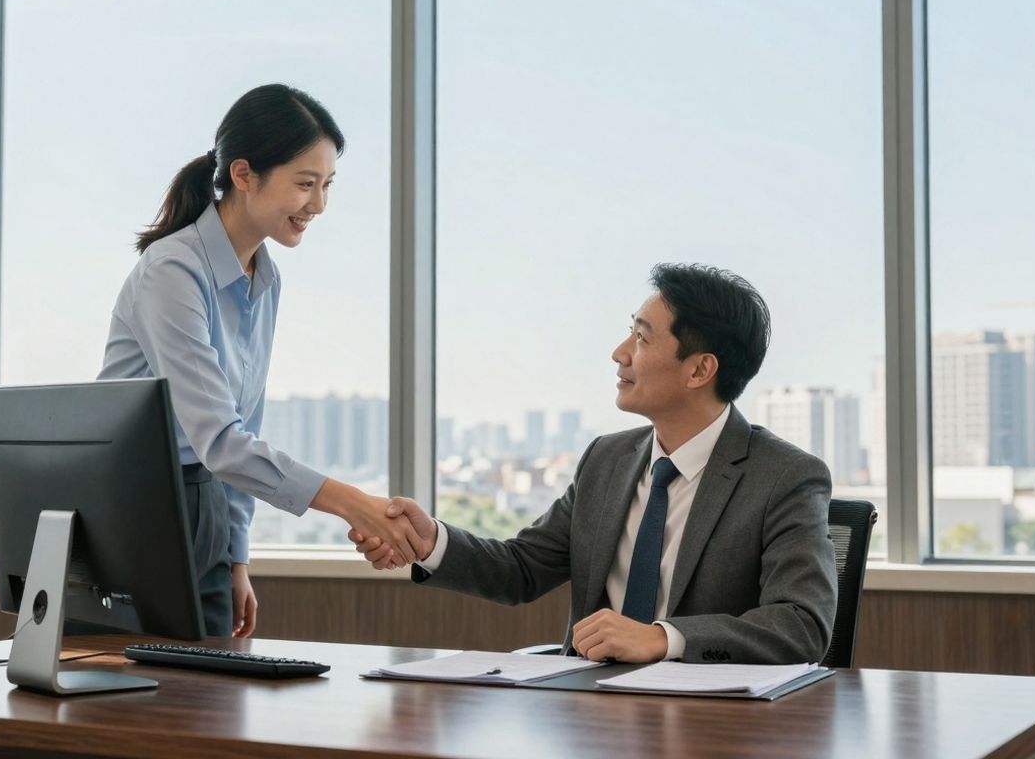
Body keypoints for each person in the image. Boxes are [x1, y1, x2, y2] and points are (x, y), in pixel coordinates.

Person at [352, 263, 836, 664]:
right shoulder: (608, 459)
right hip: (588, 709)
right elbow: (522, 570)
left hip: (708, 722)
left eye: (642, 339)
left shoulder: (784, 477)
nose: (619, 353)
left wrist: (664, 638)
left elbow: (801, 624)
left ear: (700, 369)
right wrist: (430, 539)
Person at [100, 84, 423, 639]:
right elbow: (222, 442)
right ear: (245, 174)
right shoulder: (173, 270)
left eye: (326, 186)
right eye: (304, 184)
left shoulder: (265, 278)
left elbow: (242, 428)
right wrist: (354, 505)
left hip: (202, 505)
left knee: (209, 702)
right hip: (135, 512)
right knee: (149, 707)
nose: (318, 205)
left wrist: (235, 558)